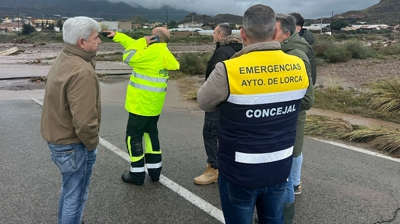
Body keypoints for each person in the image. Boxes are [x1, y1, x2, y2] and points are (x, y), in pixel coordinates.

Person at [197, 4, 309, 224]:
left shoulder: (228, 69)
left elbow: (204, 102)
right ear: (273, 32)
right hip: (279, 166)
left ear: (243, 34)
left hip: (240, 172)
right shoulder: (297, 65)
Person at [40, 16, 102, 224]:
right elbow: (85, 121)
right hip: (73, 145)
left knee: (69, 190)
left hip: (57, 138)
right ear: (82, 42)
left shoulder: (65, 57)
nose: (99, 41)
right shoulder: (82, 71)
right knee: (76, 197)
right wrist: (92, 144)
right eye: (95, 37)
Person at [104, 27, 180, 185]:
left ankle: (136, 174)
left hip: (141, 104)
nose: (146, 37)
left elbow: (129, 56)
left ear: (155, 38)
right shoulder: (161, 52)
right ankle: (154, 172)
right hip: (154, 105)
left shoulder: (151, 53)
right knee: (151, 135)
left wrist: (141, 41)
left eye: (150, 35)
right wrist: (118, 36)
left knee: (133, 136)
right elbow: (135, 46)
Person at [274, 13, 315, 224]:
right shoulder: (285, 50)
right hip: (286, 122)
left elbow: (307, 99)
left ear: (287, 34)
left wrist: (282, 101)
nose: (271, 33)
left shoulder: (296, 55)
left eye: (275, 29)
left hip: (291, 122)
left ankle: (285, 218)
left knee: (286, 177)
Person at [194, 23, 242, 185]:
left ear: (221, 35)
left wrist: (206, 100)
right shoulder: (240, 49)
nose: (213, 36)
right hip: (235, 102)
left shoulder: (222, 51)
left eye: (214, 33)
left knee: (210, 133)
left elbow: (216, 81)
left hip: (219, 102)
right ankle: (230, 167)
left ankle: (214, 168)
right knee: (229, 135)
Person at [290, 12, 317, 86]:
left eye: (289, 26)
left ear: (298, 28)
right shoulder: (289, 42)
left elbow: (311, 77)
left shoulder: (305, 47)